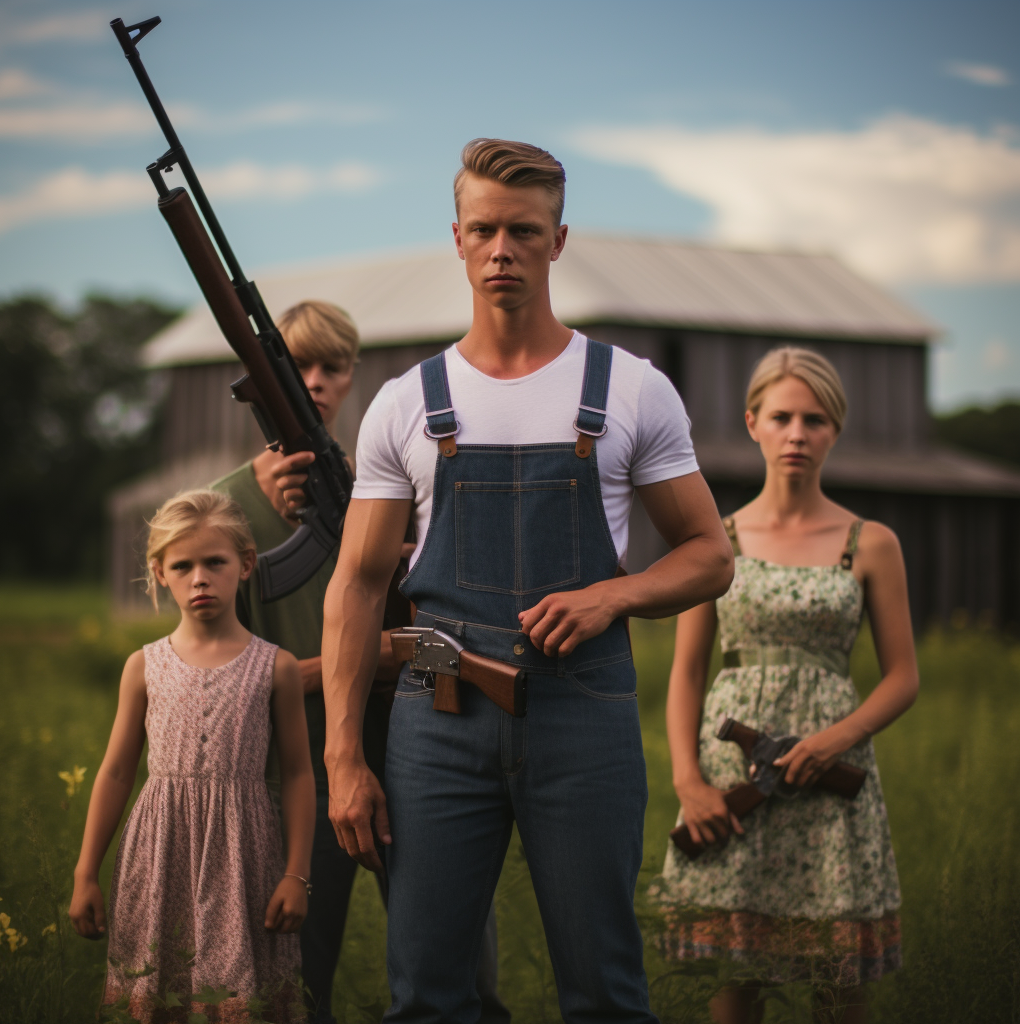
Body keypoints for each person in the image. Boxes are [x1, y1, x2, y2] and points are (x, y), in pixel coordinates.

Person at [313, 138, 734, 1024]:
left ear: (559, 240)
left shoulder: (630, 390)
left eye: (524, 231)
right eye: (485, 230)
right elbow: (355, 585)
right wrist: (345, 754)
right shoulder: (405, 401)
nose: (503, 249)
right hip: (434, 706)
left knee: (606, 992)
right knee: (427, 992)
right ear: (458, 240)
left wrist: (613, 594)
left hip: (585, 710)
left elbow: (710, 553)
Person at [211, 300, 508, 1023]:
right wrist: (359, 657)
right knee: (292, 976)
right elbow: (210, 674)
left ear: (351, 378)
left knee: (463, 965)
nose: (315, 381)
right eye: (299, 365)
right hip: (289, 772)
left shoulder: (385, 481)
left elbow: (447, 615)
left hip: (412, 746)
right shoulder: (223, 510)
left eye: (331, 367)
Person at [653, 347, 919, 1024]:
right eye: (782, 417)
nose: (797, 433)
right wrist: (689, 780)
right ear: (753, 423)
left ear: (835, 430)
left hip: (833, 775)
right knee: (736, 978)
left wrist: (837, 740)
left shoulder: (871, 543)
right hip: (733, 776)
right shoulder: (716, 539)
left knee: (836, 984)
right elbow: (687, 673)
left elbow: (903, 678)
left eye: (815, 419)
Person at [69, 490, 315, 1023]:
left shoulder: (278, 668)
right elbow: (116, 771)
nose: (199, 578)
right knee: (158, 992)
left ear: (245, 564)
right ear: (159, 572)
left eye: (215, 563)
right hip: (158, 856)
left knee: (238, 1000)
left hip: (245, 857)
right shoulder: (143, 666)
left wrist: (297, 873)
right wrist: (85, 872)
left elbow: (297, 773)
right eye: (182, 566)